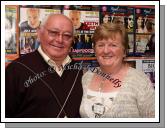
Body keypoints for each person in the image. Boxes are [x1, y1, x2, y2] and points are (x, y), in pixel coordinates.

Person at [5, 14, 83, 118]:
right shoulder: (16, 70)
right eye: (53, 33)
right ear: (39, 33)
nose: (60, 40)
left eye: (67, 35)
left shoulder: (78, 70)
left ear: (72, 40)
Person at [80, 23, 155, 118]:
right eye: (101, 45)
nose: (106, 50)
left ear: (124, 51)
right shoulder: (87, 77)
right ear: (94, 50)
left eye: (113, 45)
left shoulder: (139, 80)